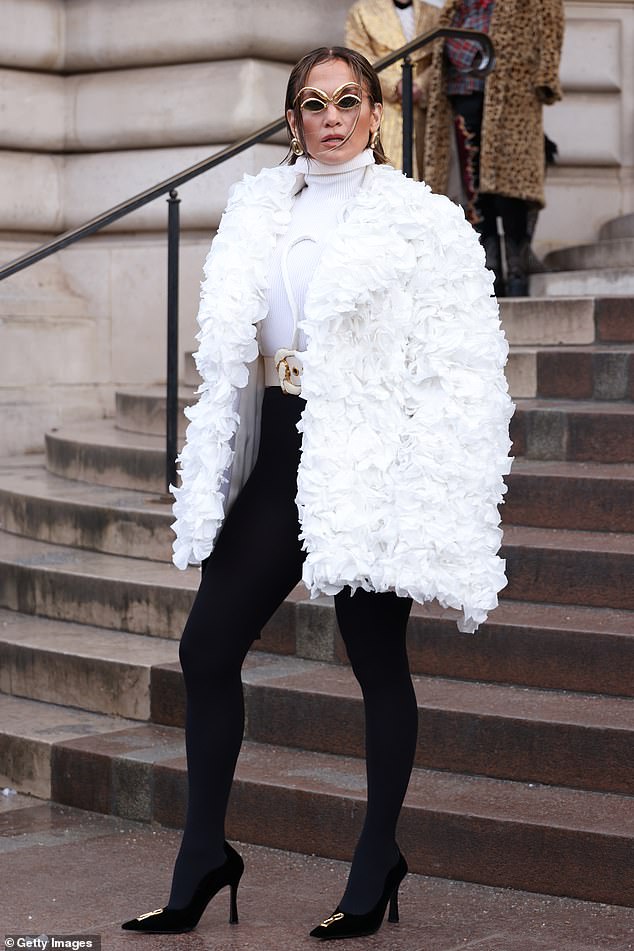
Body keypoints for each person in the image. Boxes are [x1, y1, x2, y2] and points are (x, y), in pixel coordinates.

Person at [121, 45, 513, 941]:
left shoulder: (423, 221)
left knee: (377, 660)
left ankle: (375, 861)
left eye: (349, 100)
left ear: (376, 113)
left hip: (371, 454)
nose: (331, 116)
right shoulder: (261, 209)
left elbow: (460, 371)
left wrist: (430, 489)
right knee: (207, 646)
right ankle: (202, 857)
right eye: (312, 103)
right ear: (291, 118)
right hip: (288, 437)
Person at [424, 0, 564, 296]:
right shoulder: (460, 5)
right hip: (463, 94)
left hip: (511, 96)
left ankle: (516, 269)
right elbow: (449, 38)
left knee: (510, 189)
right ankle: (491, 270)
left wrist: (546, 76)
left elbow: (550, 23)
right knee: (475, 190)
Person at [346, 0, 441, 177]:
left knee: (426, 178)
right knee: (385, 171)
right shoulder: (362, 11)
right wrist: (396, 84)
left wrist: (420, 85)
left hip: (423, 109)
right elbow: (359, 55)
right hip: (383, 106)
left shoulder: (434, 14)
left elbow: (440, 58)